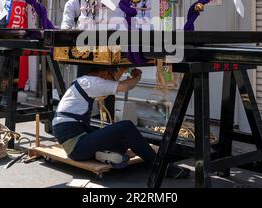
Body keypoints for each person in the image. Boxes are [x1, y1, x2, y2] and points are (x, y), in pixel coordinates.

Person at [52, 67, 190, 179]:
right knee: (126, 126)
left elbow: (107, 90)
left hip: (77, 144)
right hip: (77, 145)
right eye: (110, 77)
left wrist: (123, 69)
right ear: (103, 73)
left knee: (123, 139)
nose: (110, 82)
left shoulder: (84, 82)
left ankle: (105, 155)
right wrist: (137, 76)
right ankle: (161, 167)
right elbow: (124, 86)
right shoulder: (91, 82)